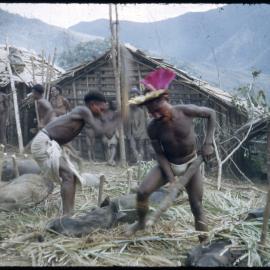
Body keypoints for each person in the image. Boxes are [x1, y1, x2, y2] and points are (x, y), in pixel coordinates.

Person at [126, 68, 216, 243]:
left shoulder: (186, 111)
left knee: (197, 206)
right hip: (168, 164)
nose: (155, 114)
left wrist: (208, 143)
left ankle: (204, 244)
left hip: (191, 164)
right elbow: (160, 154)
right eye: (151, 112)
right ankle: (141, 222)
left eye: (158, 108)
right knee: (142, 192)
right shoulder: (153, 127)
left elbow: (211, 114)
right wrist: (171, 179)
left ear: (166, 98)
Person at [31, 91, 122, 216]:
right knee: (68, 176)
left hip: (51, 144)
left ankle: (68, 214)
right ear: (92, 105)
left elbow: (108, 133)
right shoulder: (83, 111)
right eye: (101, 108)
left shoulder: (86, 113)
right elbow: (100, 130)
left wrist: (117, 117)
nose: (102, 112)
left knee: (71, 177)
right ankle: (67, 216)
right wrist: (120, 117)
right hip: (44, 142)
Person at [126, 87, 148, 163]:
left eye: (135, 94)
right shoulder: (128, 111)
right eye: (132, 94)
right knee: (132, 147)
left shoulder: (141, 112)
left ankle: (140, 162)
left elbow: (142, 125)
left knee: (140, 147)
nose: (133, 95)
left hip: (140, 132)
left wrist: (138, 133)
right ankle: (139, 161)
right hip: (131, 132)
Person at [101, 100, 119, 166]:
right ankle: (109, 160)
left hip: (113, 132)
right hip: (105, 132)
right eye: (105, 105)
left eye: (107, 105)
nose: (106, 106)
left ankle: (111, 159)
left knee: (113, 146)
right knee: (106, 146)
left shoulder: (114, 113)